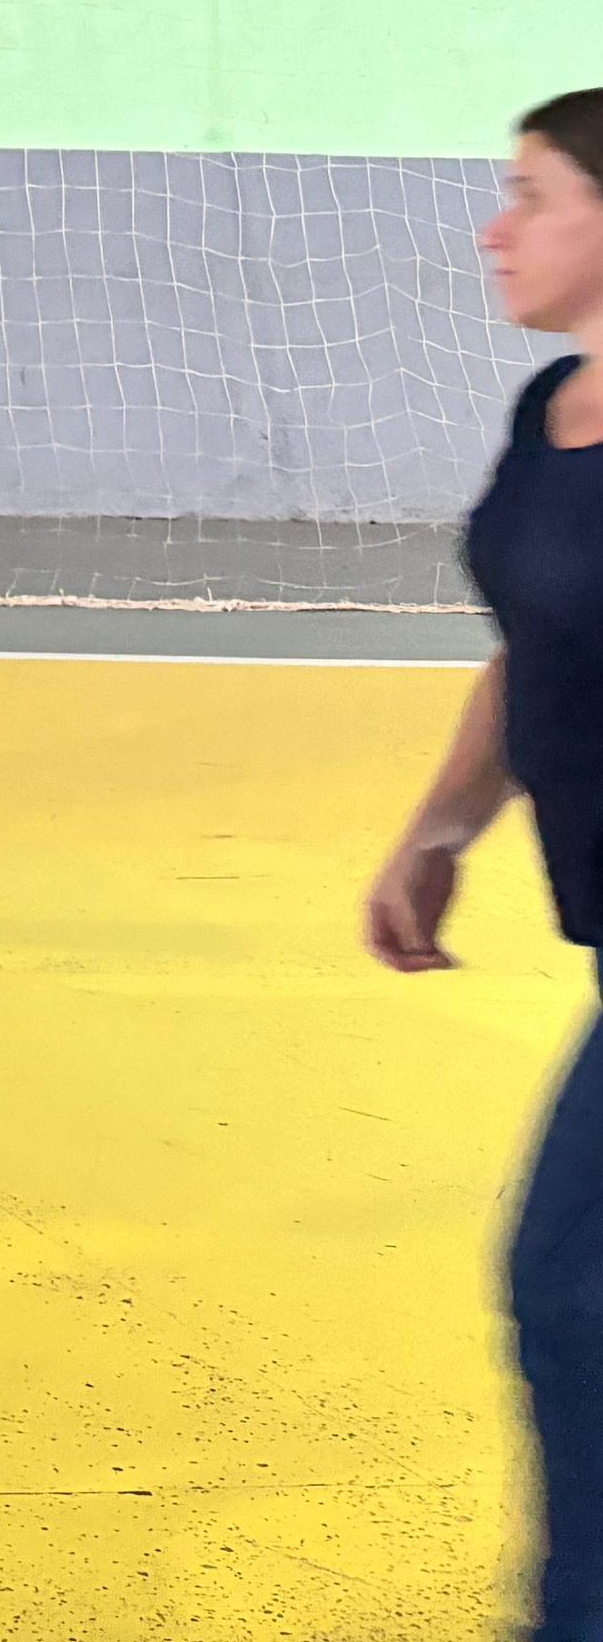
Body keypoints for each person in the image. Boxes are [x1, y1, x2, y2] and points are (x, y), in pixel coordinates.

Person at [366, 90, 603, 1642]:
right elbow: (536, 646)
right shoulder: (552, 412)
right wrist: (442, 827)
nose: (492, 230)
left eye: (530, 194)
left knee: (570, 1284)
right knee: (569, 1292)